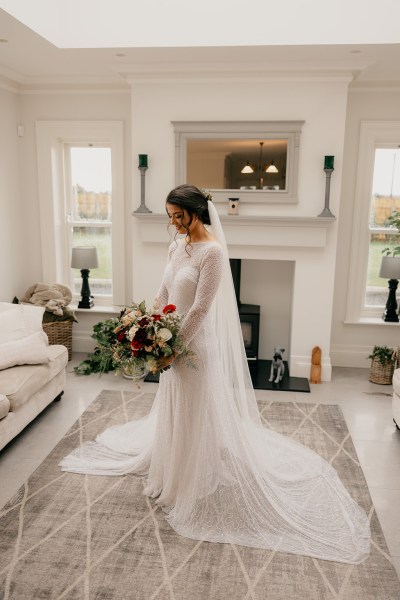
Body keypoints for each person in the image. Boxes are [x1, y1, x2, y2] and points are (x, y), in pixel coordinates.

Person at [60, 184, 370, 564]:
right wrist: (145, 327)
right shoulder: (177, 245)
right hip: (168, 339)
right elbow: (162, 293)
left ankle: (196, 475)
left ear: (197, 212)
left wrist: (173, 347)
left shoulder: (213, 253)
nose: (173, 222)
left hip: (195, 346)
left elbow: (200, 309)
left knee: (195, 407)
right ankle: (171, 468)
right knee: (173, 405)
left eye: (178, 215)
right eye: (169, 215)